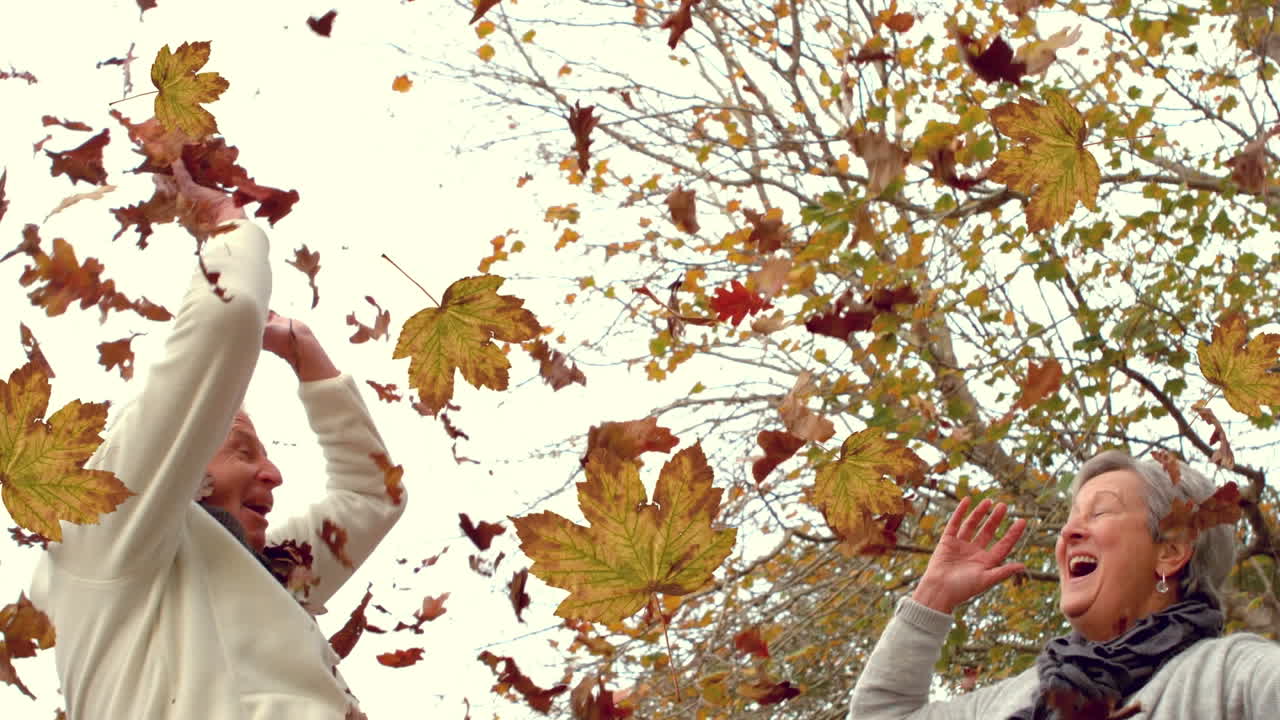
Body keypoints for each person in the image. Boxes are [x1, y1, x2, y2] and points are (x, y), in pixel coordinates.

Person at [29, 158, 407, 719]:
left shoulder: (270, 571)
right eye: (241, 449)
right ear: (178, 458)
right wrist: (224, 224)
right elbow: (229, 320)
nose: (274, 474)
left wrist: (305, 350)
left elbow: (373, 497)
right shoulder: (108, 527)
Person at [849, 450, 1279, 719]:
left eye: (1100, 513)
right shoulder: (1016, 697)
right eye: (1072, 518)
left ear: (1170, 550)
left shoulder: (1230, 676)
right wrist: (933, 597)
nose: (1069, 533)